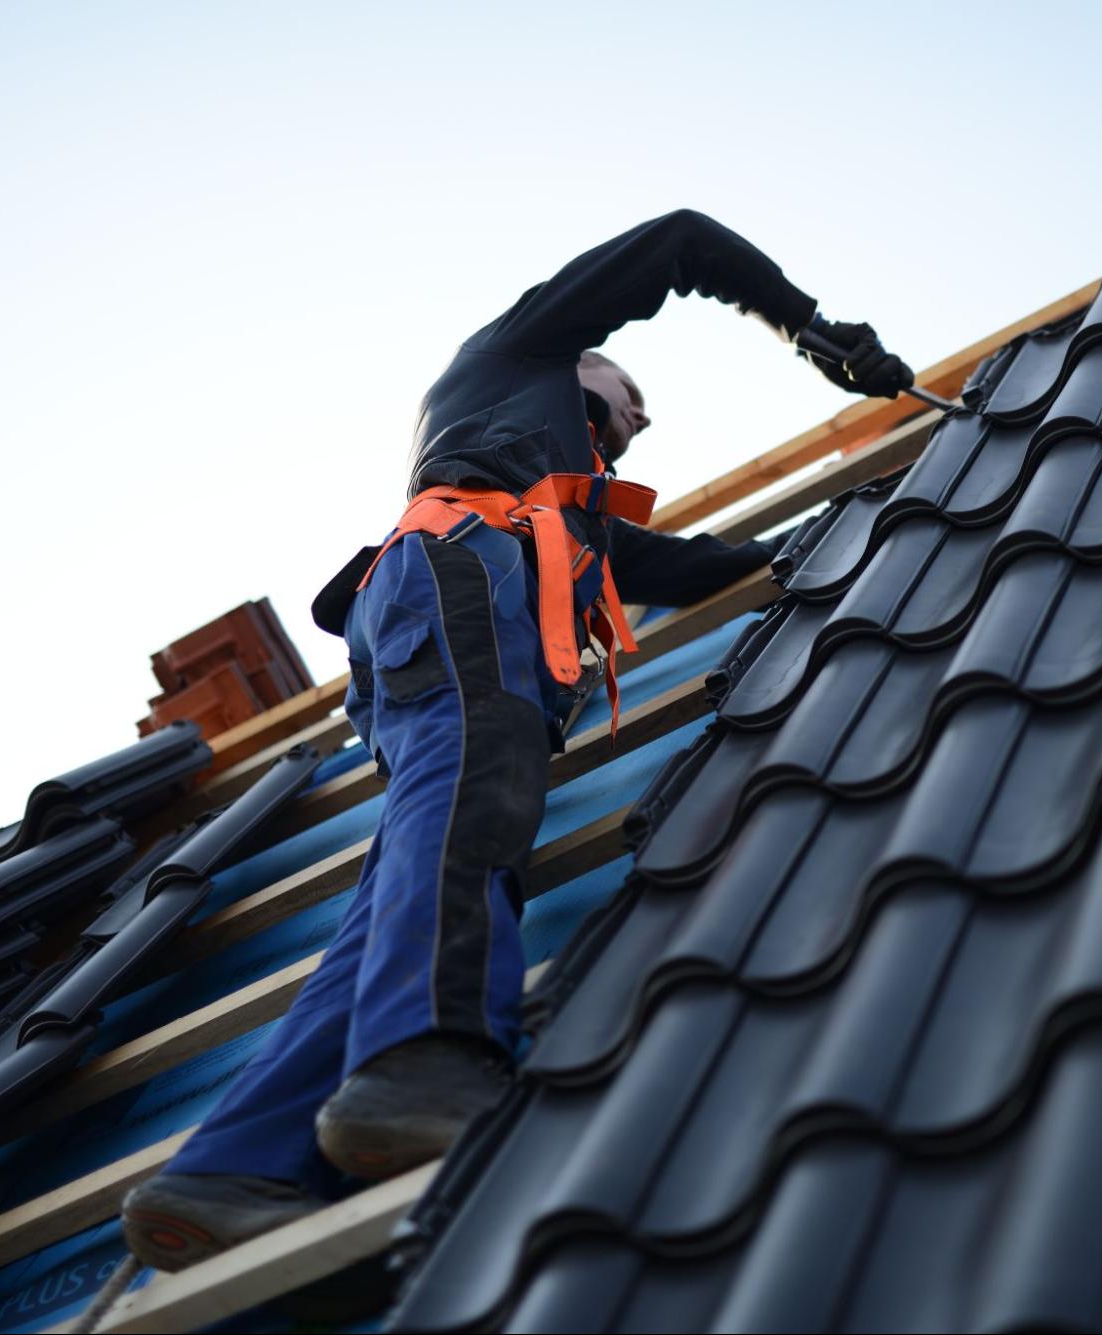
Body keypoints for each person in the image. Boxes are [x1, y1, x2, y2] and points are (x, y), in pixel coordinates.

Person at [119, 210, 913, 1269]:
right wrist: (811, 329)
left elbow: (684, 567)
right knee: (470, 804)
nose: (632, 430)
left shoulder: (569, 515)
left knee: (408, 875)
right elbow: (681, 240)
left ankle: (233, 1167)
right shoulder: (511, 360)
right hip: (459, 577)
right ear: (577, 361)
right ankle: (425, 1060)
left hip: (439, 613)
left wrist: (837, 529)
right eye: (625, 405)